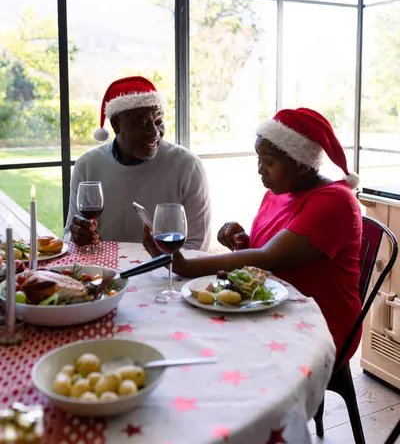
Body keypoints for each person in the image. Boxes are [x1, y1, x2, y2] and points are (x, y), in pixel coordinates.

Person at [144, 107, 362, 364]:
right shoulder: (279, 191)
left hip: (319, 323)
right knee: (191, 334)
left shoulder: (334, 201)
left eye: (268, 161)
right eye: (258, 159)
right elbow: (268, 251)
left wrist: (185, 266)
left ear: (302, 164)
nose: (260, 169)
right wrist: (243, 241)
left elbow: (268, 257)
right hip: (272, 304)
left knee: (212, 346)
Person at [64, 76, 211, 250]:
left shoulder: (188, 166)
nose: (153, 133)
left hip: (166, 272)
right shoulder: (87, 165)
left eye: (158, 122)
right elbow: (68, 235)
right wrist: (76, 236)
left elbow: (197, 244)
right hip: (104, 272)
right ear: (115, 125)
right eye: (142, 123)